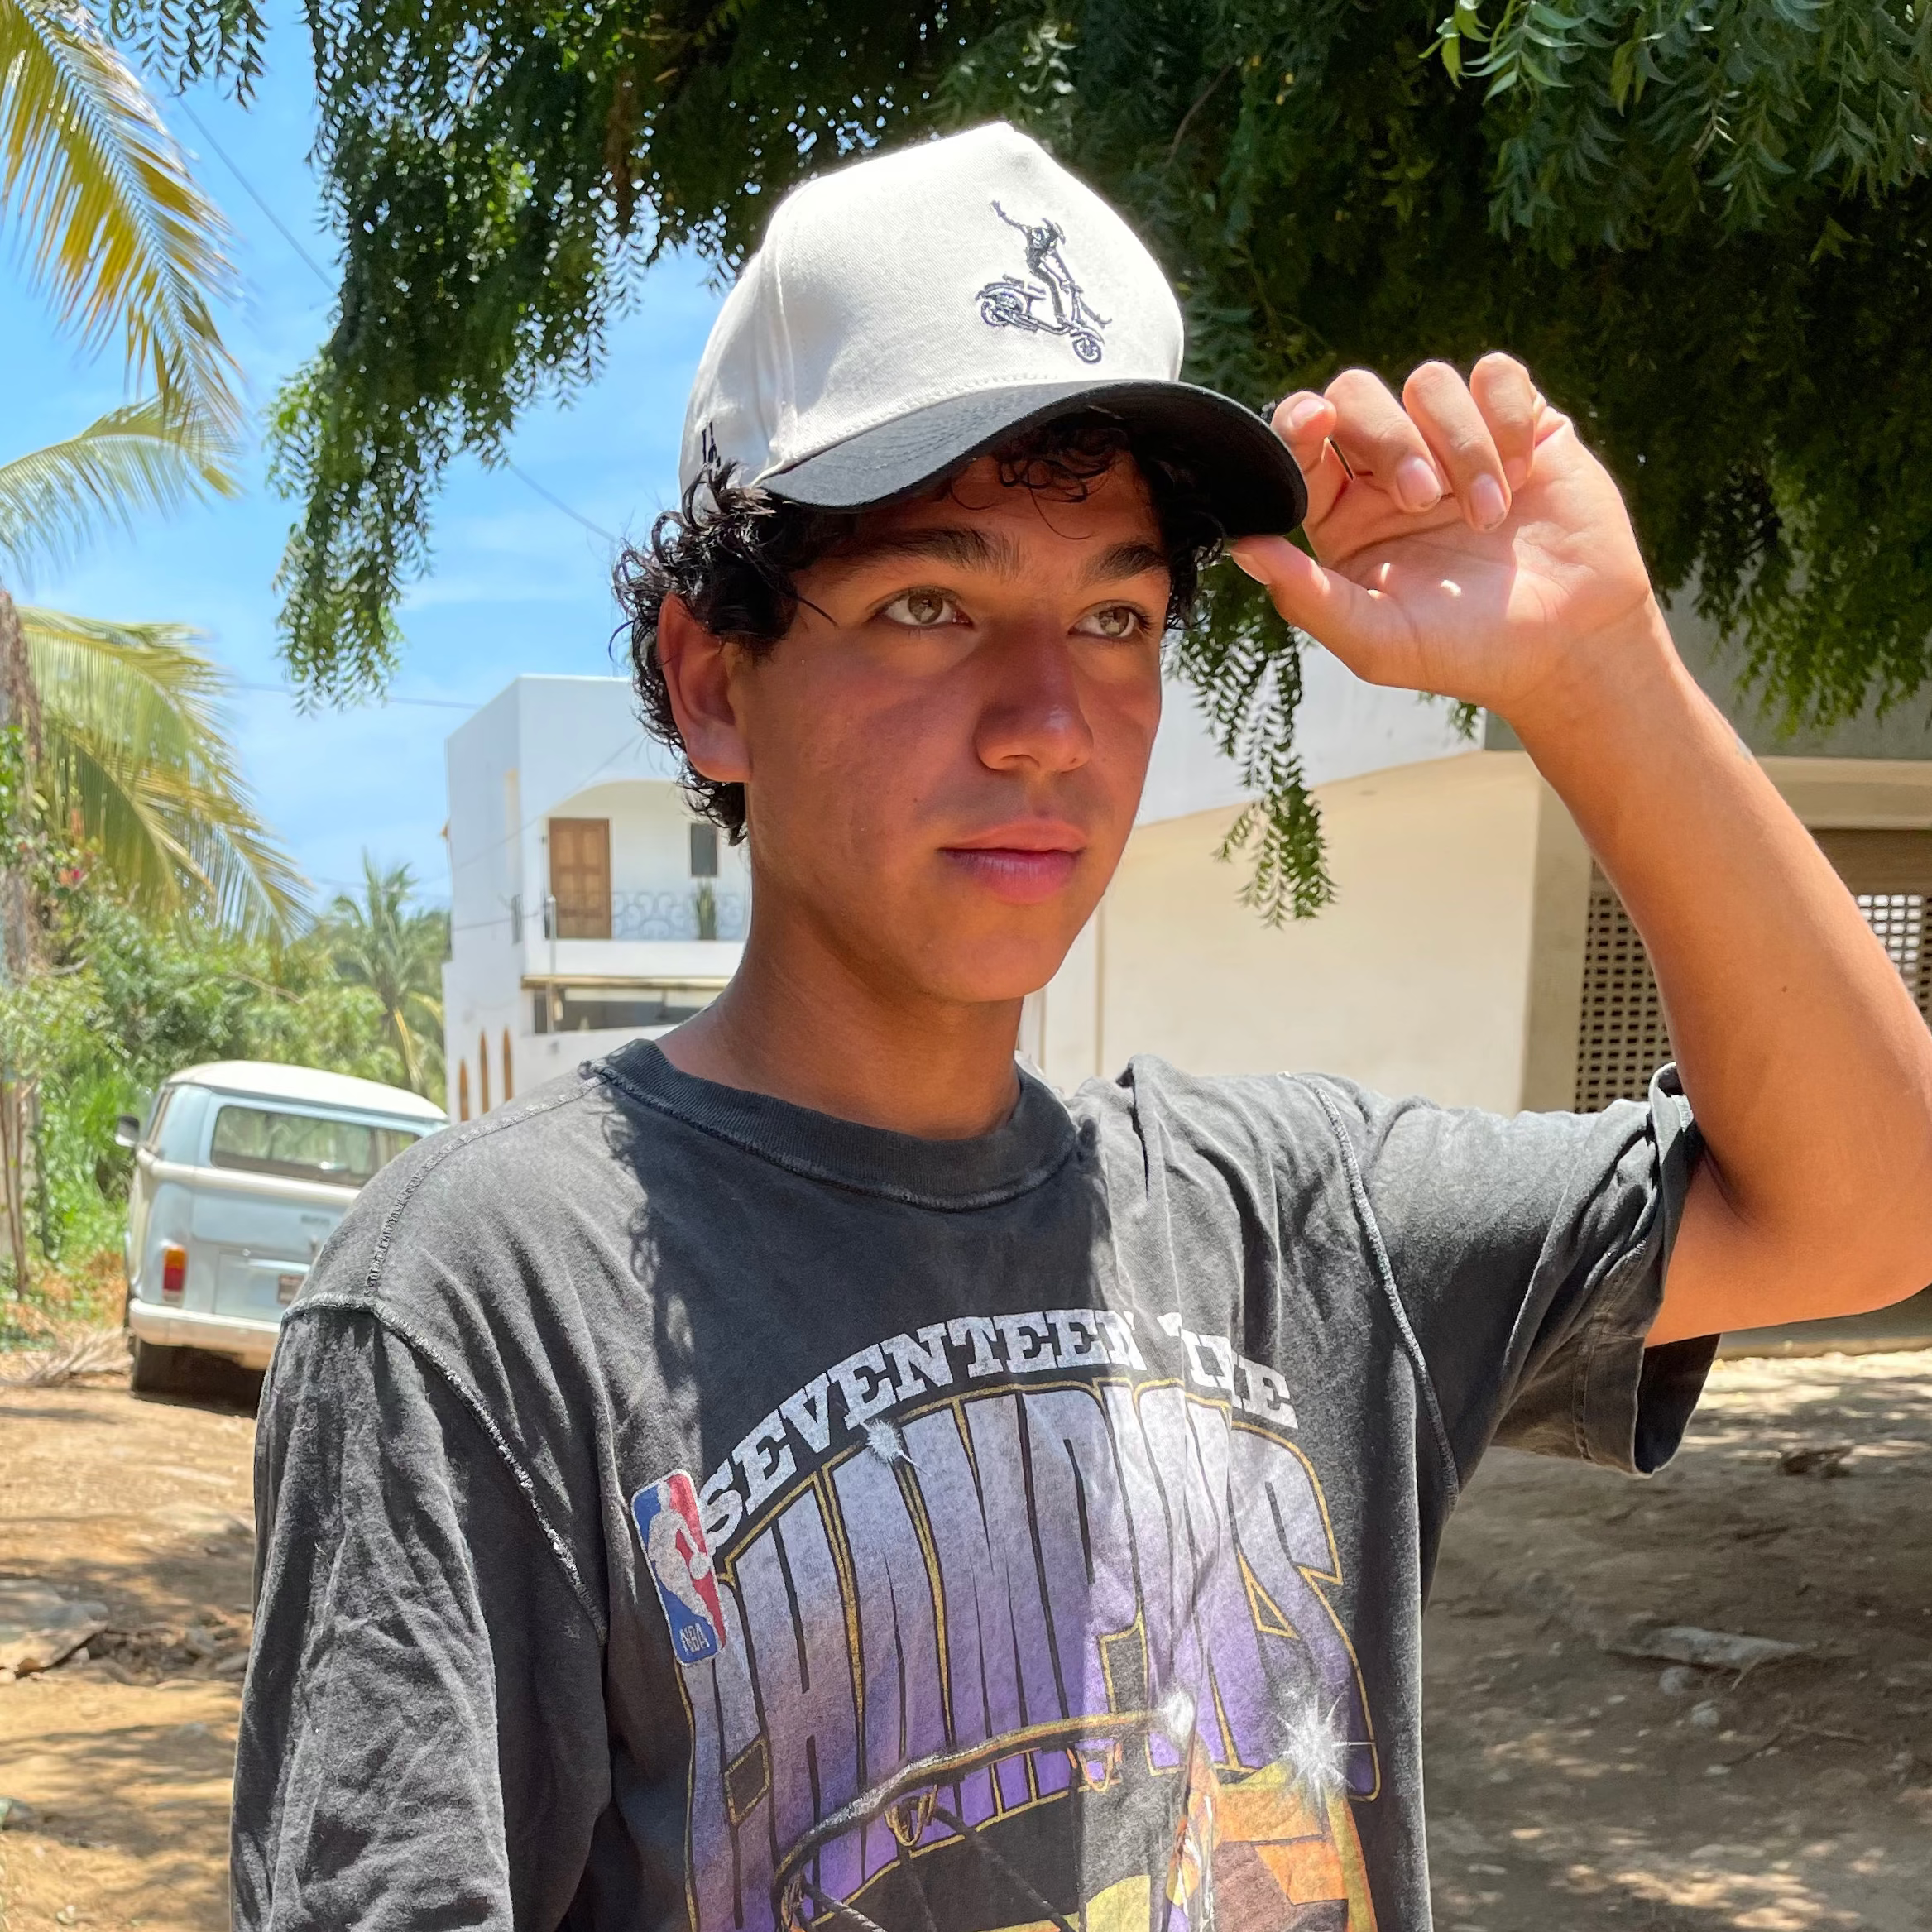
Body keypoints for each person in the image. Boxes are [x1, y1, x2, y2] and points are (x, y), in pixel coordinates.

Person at [232, 124, 1932, 1932]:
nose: (1048, 718)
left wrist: (1597, 672)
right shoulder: (477, 1305)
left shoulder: (1299, 1224)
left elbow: (1867, 1203)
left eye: (1116, 615)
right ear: (712, 681)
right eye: (930, 603)